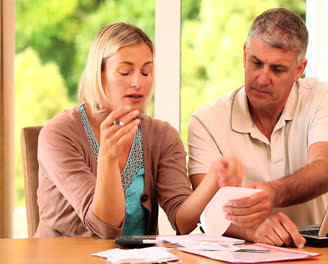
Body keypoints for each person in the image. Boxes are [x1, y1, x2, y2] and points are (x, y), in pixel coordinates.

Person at [35, 22, 239, 238]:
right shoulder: (58, 134)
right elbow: (105, 227)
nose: (138, 82)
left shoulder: (163, 135)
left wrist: (213, 182)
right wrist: (108, 159)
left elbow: (183, 221)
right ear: (99, 73)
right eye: (125, 72)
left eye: (146, 72)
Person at [188, 8, 328, 247]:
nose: (262, 79)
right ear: (244, 54)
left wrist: (274, 193)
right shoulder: (206, 121)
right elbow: (205, 211)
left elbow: (325, 171)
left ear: (299, 70)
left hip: (314, 251)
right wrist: (253, 230)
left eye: (278, 69)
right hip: (240, 257)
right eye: (256, 63)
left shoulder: (323, 97)